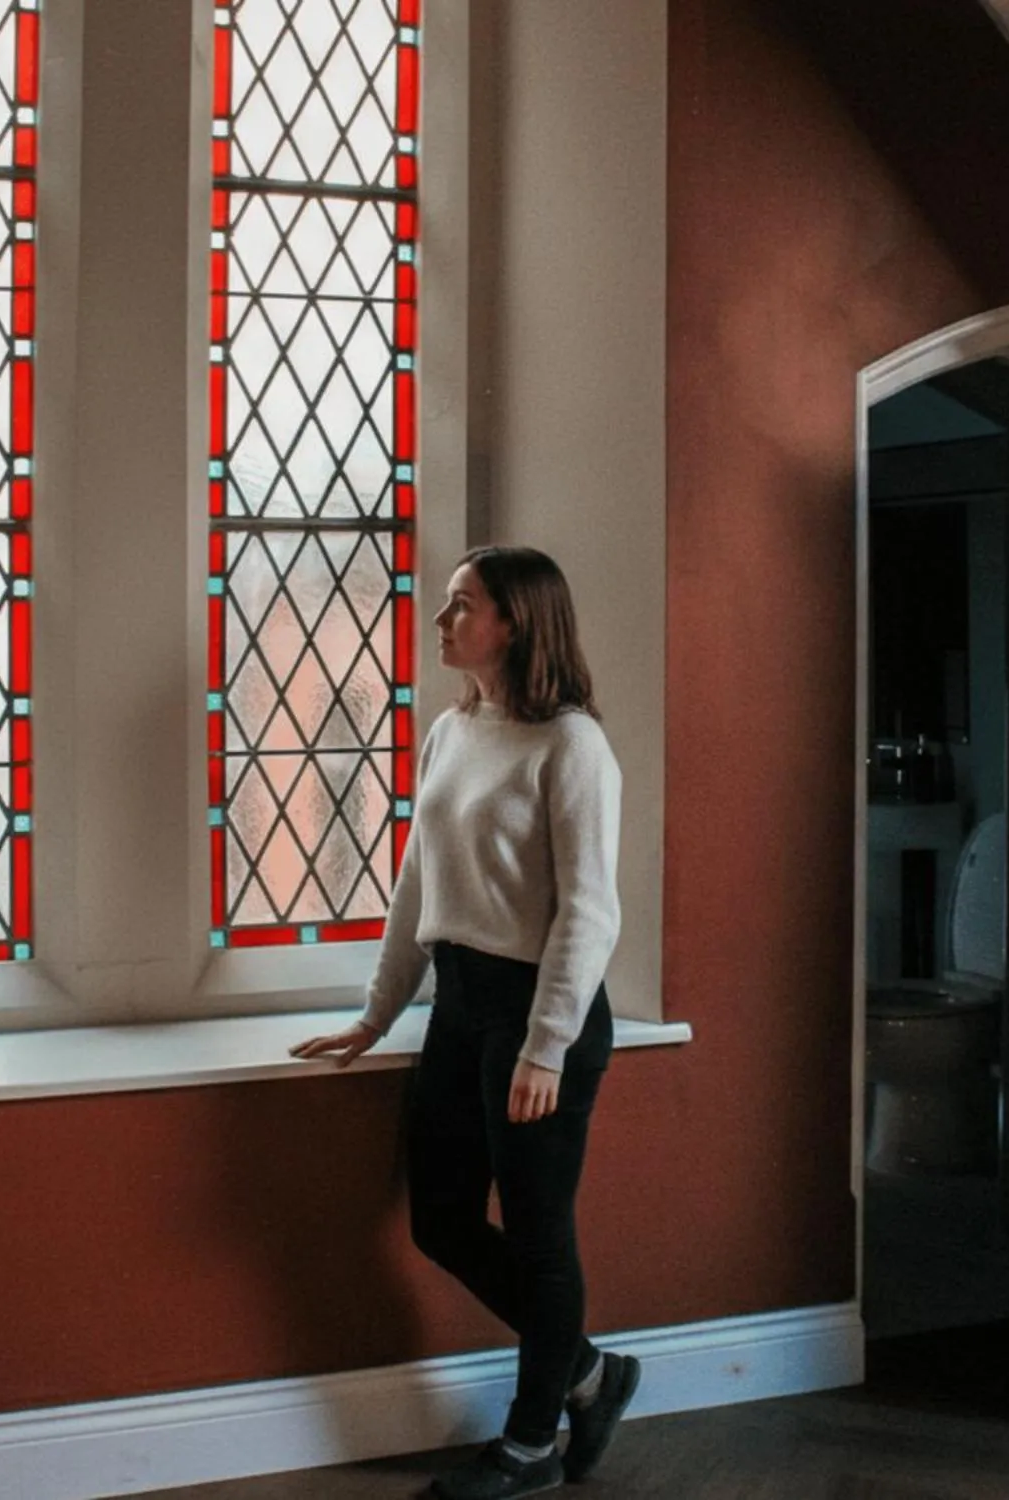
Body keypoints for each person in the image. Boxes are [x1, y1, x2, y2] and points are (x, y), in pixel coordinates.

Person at [292, 545, 638, 1499]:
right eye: (447, 604)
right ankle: (591, 1375)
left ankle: (530, 1451)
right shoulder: (453, 730)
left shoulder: (572, 745)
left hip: (538, 1016)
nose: (441, 620)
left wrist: (547, 1045)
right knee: (440, 1221)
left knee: (538, 1236)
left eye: (461, 605)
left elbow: (590, 911)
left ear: (515, 622)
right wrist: (376, 1013)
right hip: (460, 1005)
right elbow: (417, 885)